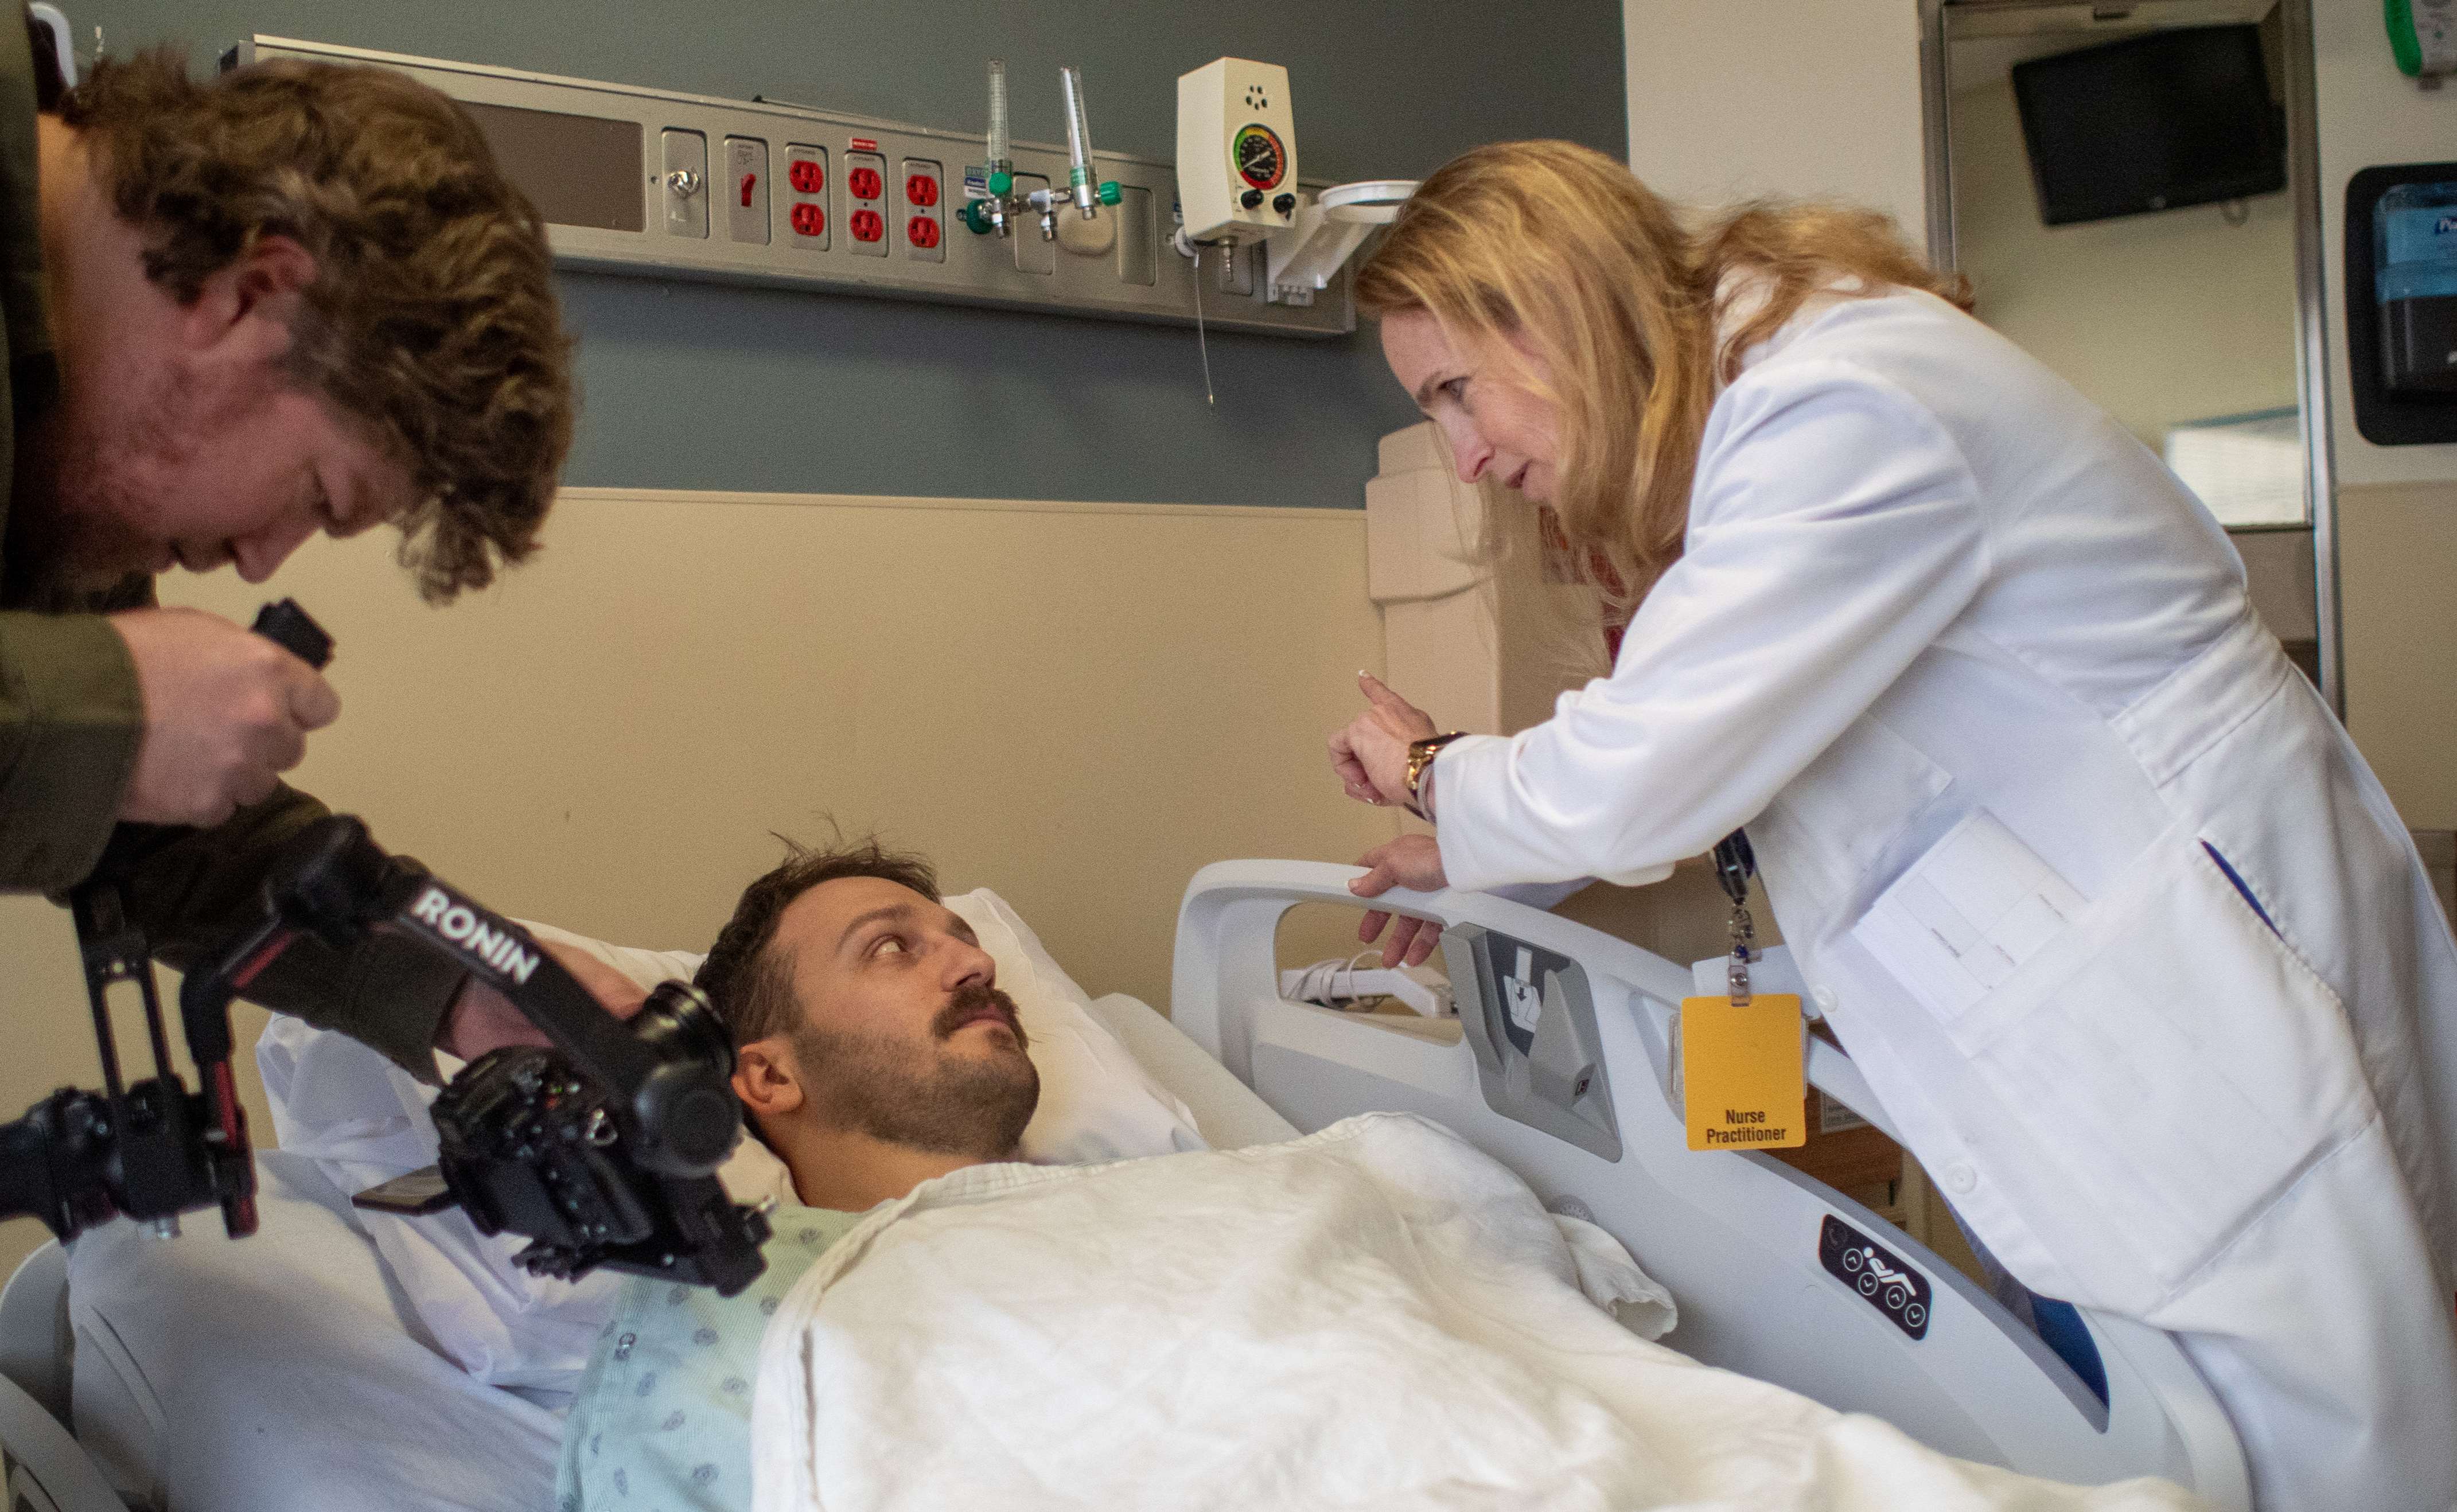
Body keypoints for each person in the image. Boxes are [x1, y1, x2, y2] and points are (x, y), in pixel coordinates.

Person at [1325, 139, 2457, 1512]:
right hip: (2099, 983)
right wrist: (1482, 857)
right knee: (2191, 1423)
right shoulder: (1774, 414)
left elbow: (1652, 766)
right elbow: (1712, 735)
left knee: (2324, 1438)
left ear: (1551, 303)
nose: (1466, 454)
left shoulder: (1843, 406)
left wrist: (1433, 769)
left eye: (1456, 390)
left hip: (2198, 979)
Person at [0, 17, 614, 1076]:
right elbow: (69, 726)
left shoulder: (64, 442)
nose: (256, 563)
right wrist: (102, 708)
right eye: (315, 496)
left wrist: (458, 982)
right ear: (251, 297)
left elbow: (144, 837)